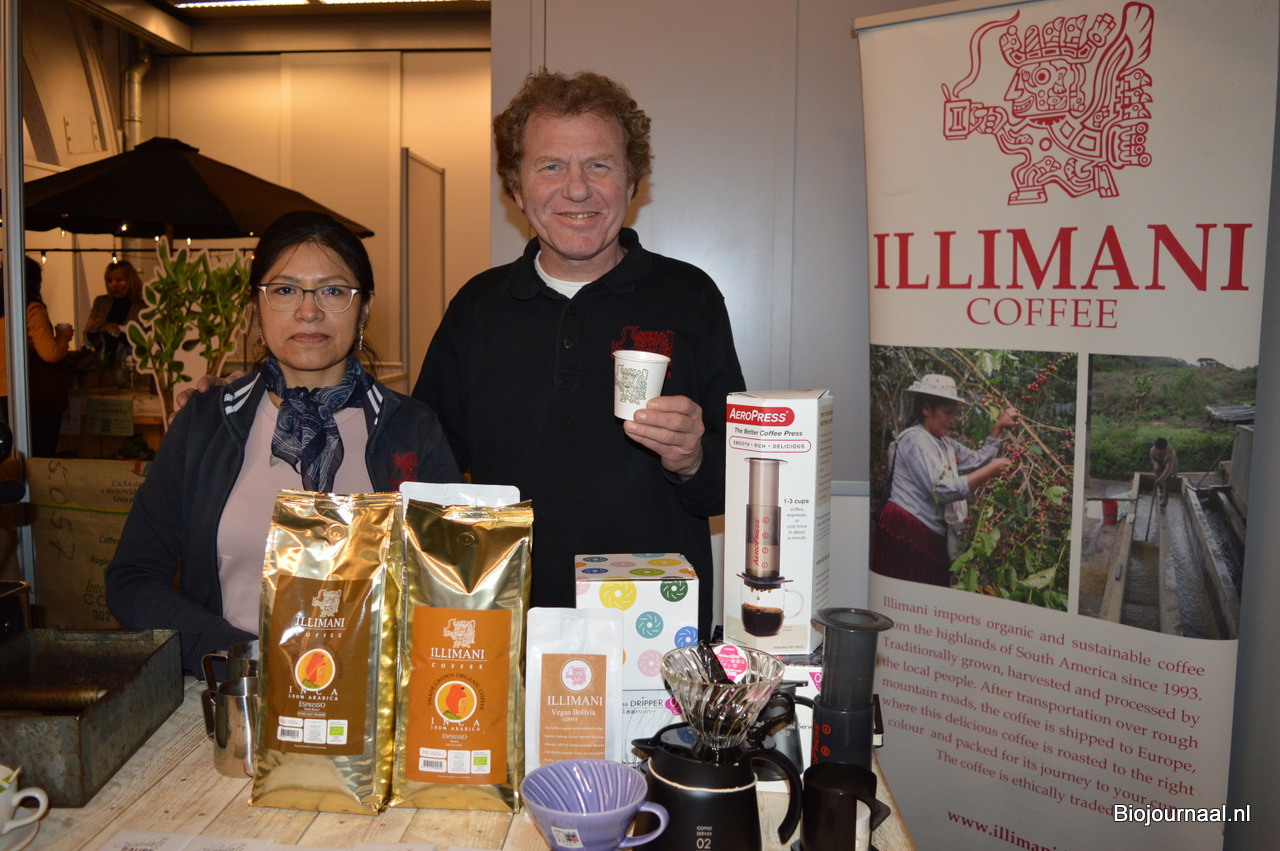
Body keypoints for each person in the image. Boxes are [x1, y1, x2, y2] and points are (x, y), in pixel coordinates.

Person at [413, 70, 745, 634]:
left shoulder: (691, 298)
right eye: (550, 166)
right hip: (509, 626)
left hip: (653, 626)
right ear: (515, 188)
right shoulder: (477, 309)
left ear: (631, 181)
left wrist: (693, 458)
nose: (576, 189)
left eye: (599, 165)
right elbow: (428, 471)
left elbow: (733, 483)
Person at [106, 211, 460, 675]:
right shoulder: (207, 422)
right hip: (236, 690)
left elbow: (453, 584)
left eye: (333, 291)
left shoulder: (410, 429)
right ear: (257, 306)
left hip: (376, 694)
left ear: (365, 308)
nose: (308, 311)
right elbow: (132, 580)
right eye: (285, 290)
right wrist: (236, 654)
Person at [871, 374, 1019, 587]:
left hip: (927, 529)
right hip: (907, 526)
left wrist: (997, 430)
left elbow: (974, 460)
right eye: (947, 413)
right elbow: (941, 490)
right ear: (926, 409)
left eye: (954, 414)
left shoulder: (945, 444)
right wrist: (991, 470)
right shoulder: (915, 440)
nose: (952, 421)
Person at [0, 257, 74, 456]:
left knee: (14, 451)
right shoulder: (31, 309)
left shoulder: (4, 310)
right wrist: (63, 336)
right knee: (38, 452)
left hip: (4, 390)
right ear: (33, 282)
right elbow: (50, 353)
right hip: (29, 391)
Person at [85, 260, 144, 363]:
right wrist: (92, 331)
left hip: (129, 364)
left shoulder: (142, 307)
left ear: (131, 281)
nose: (113, 285)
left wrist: (121, 333)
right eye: (110, 281)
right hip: (102, 364)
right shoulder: (101, 302)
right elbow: (90, 341)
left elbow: (144, 341)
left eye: (119, 280)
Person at [1150, 437, 1178, 508]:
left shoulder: (1170, 454)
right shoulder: (1153, 450)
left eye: (1161, 450)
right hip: (1160, 462)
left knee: (1166, 480)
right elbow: (1153, 459)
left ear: (1165, 448)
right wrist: (1156, 465)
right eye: (1158, 449)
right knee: (1159, 475)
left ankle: (1165, 499)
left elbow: (1168, 469)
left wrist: (1160, 480)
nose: (1159, 451)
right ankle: (1161, 491)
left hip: (1169, 465)